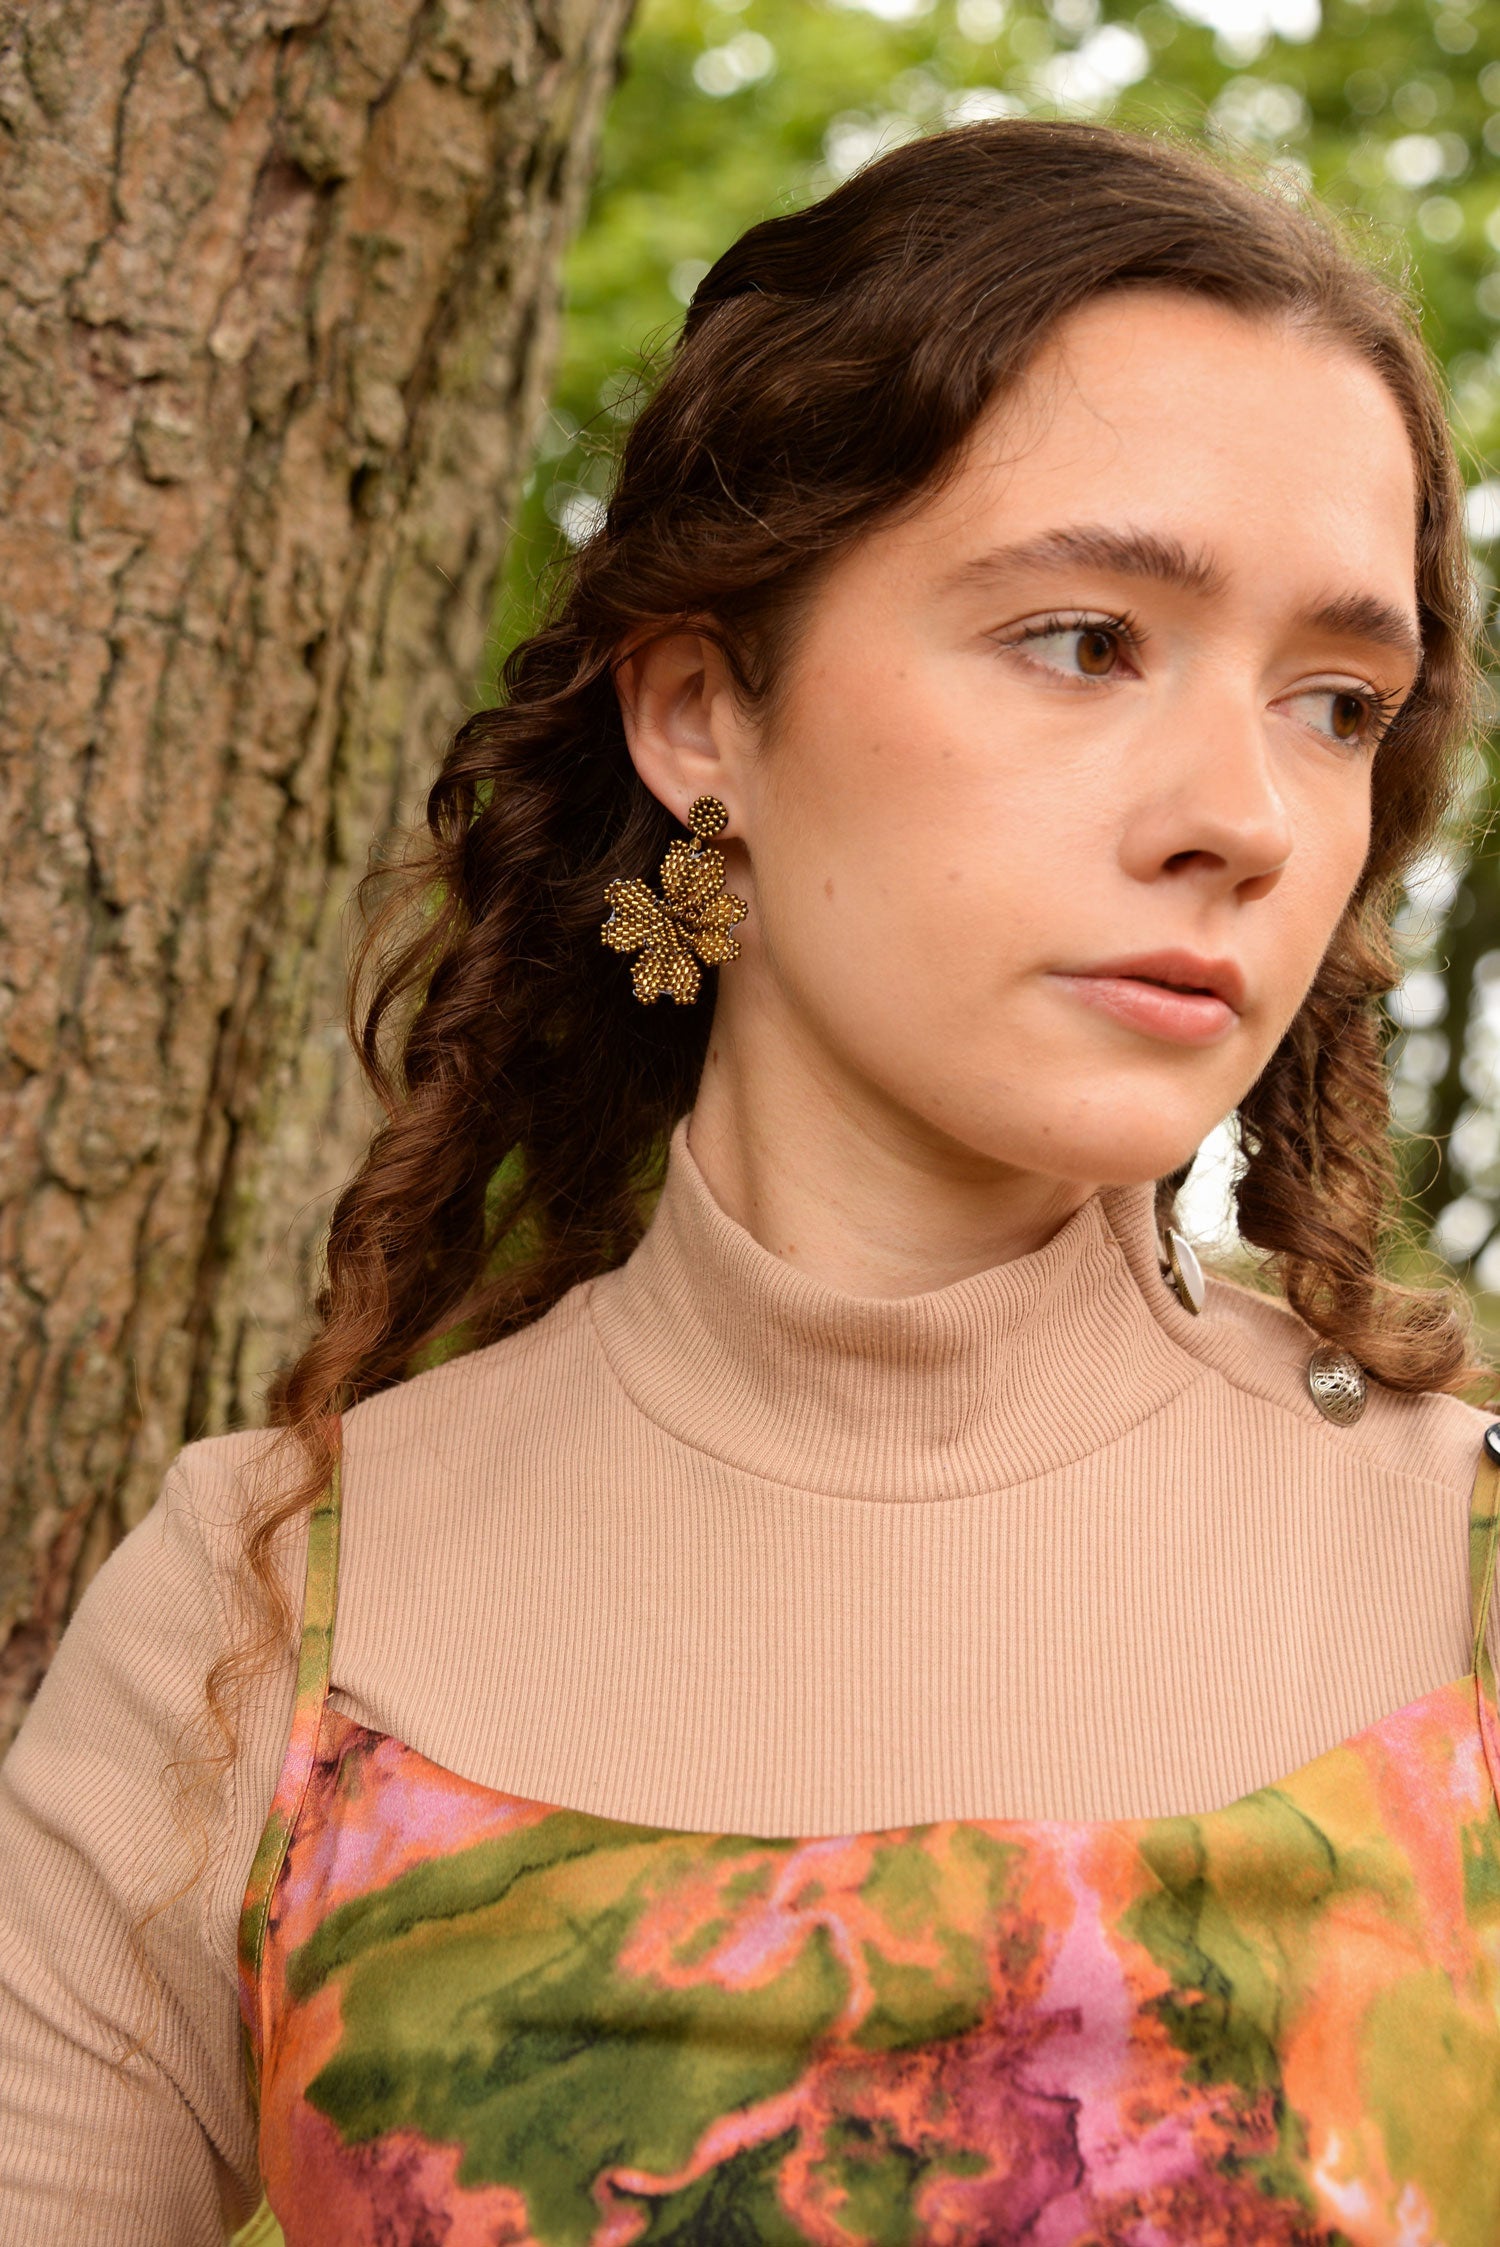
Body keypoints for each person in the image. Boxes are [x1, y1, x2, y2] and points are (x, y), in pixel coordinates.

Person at [2, 114, 1497, 2247]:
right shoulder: (261, 1616)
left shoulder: (1475, 1572)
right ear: (703, 702)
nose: (1245, 810)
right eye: (1085, 638)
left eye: (1339, 699)